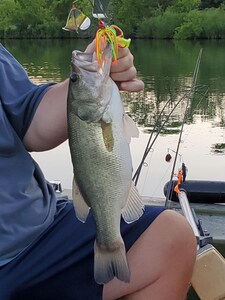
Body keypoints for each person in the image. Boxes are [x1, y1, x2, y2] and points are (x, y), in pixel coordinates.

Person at [0, 40, 196, 300]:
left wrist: (97, 71)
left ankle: (108, 244)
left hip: (38, 225)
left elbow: (29, 119)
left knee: (172, 239)